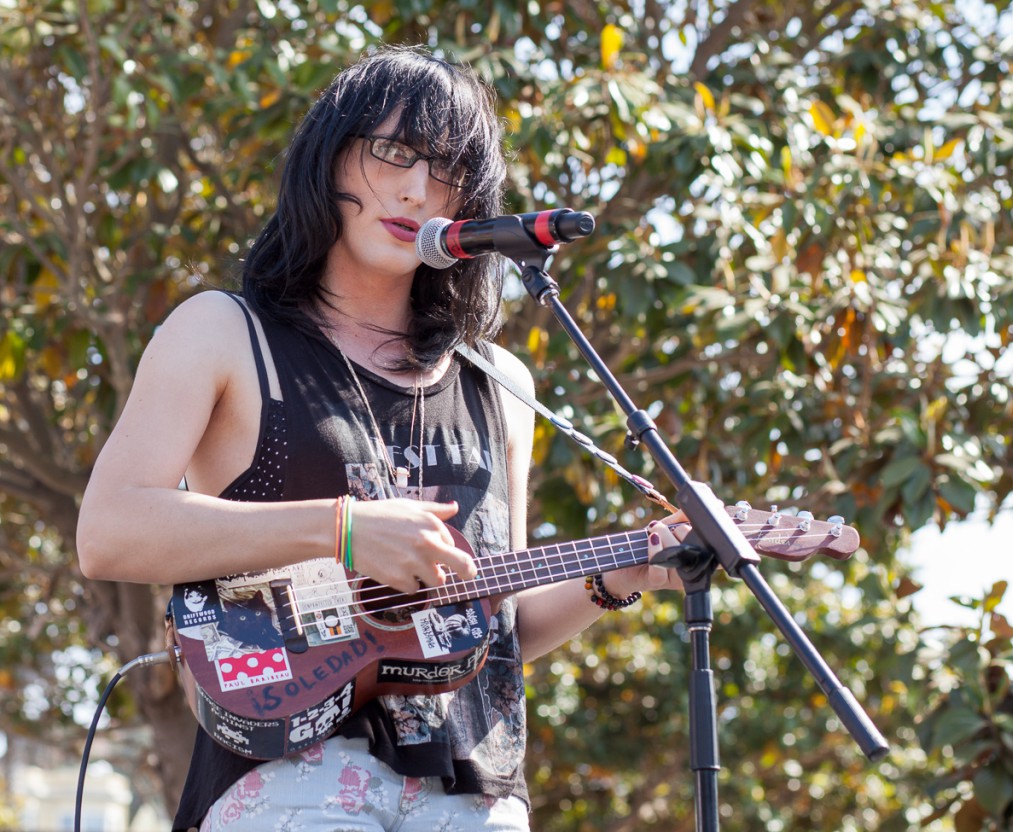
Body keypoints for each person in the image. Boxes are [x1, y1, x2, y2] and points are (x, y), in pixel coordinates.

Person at [77, 45, 686, 832]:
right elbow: (110, 531)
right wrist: (345, 530)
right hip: (288, 780)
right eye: (394, 152)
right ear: (329, 156)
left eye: (447, 169)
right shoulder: (224, 333)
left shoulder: (499, 382)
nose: (416, 189)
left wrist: (620, 574)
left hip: (478, 791)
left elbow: (487, 623)